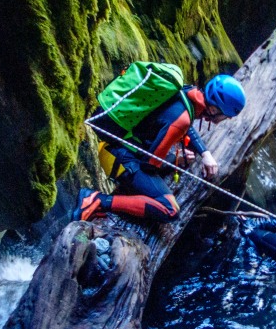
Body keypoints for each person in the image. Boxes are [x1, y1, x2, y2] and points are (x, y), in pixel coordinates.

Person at [73, 70, 246, 223]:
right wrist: (175, 159)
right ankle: (95, 200)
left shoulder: (186, 92)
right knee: (169, 209)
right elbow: (149, 164)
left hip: (117, 145)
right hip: (119, 156)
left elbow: (183, 125)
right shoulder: (183, 119)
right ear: (215, 109)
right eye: (227, 115)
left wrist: (205, 153)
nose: (228, 119)